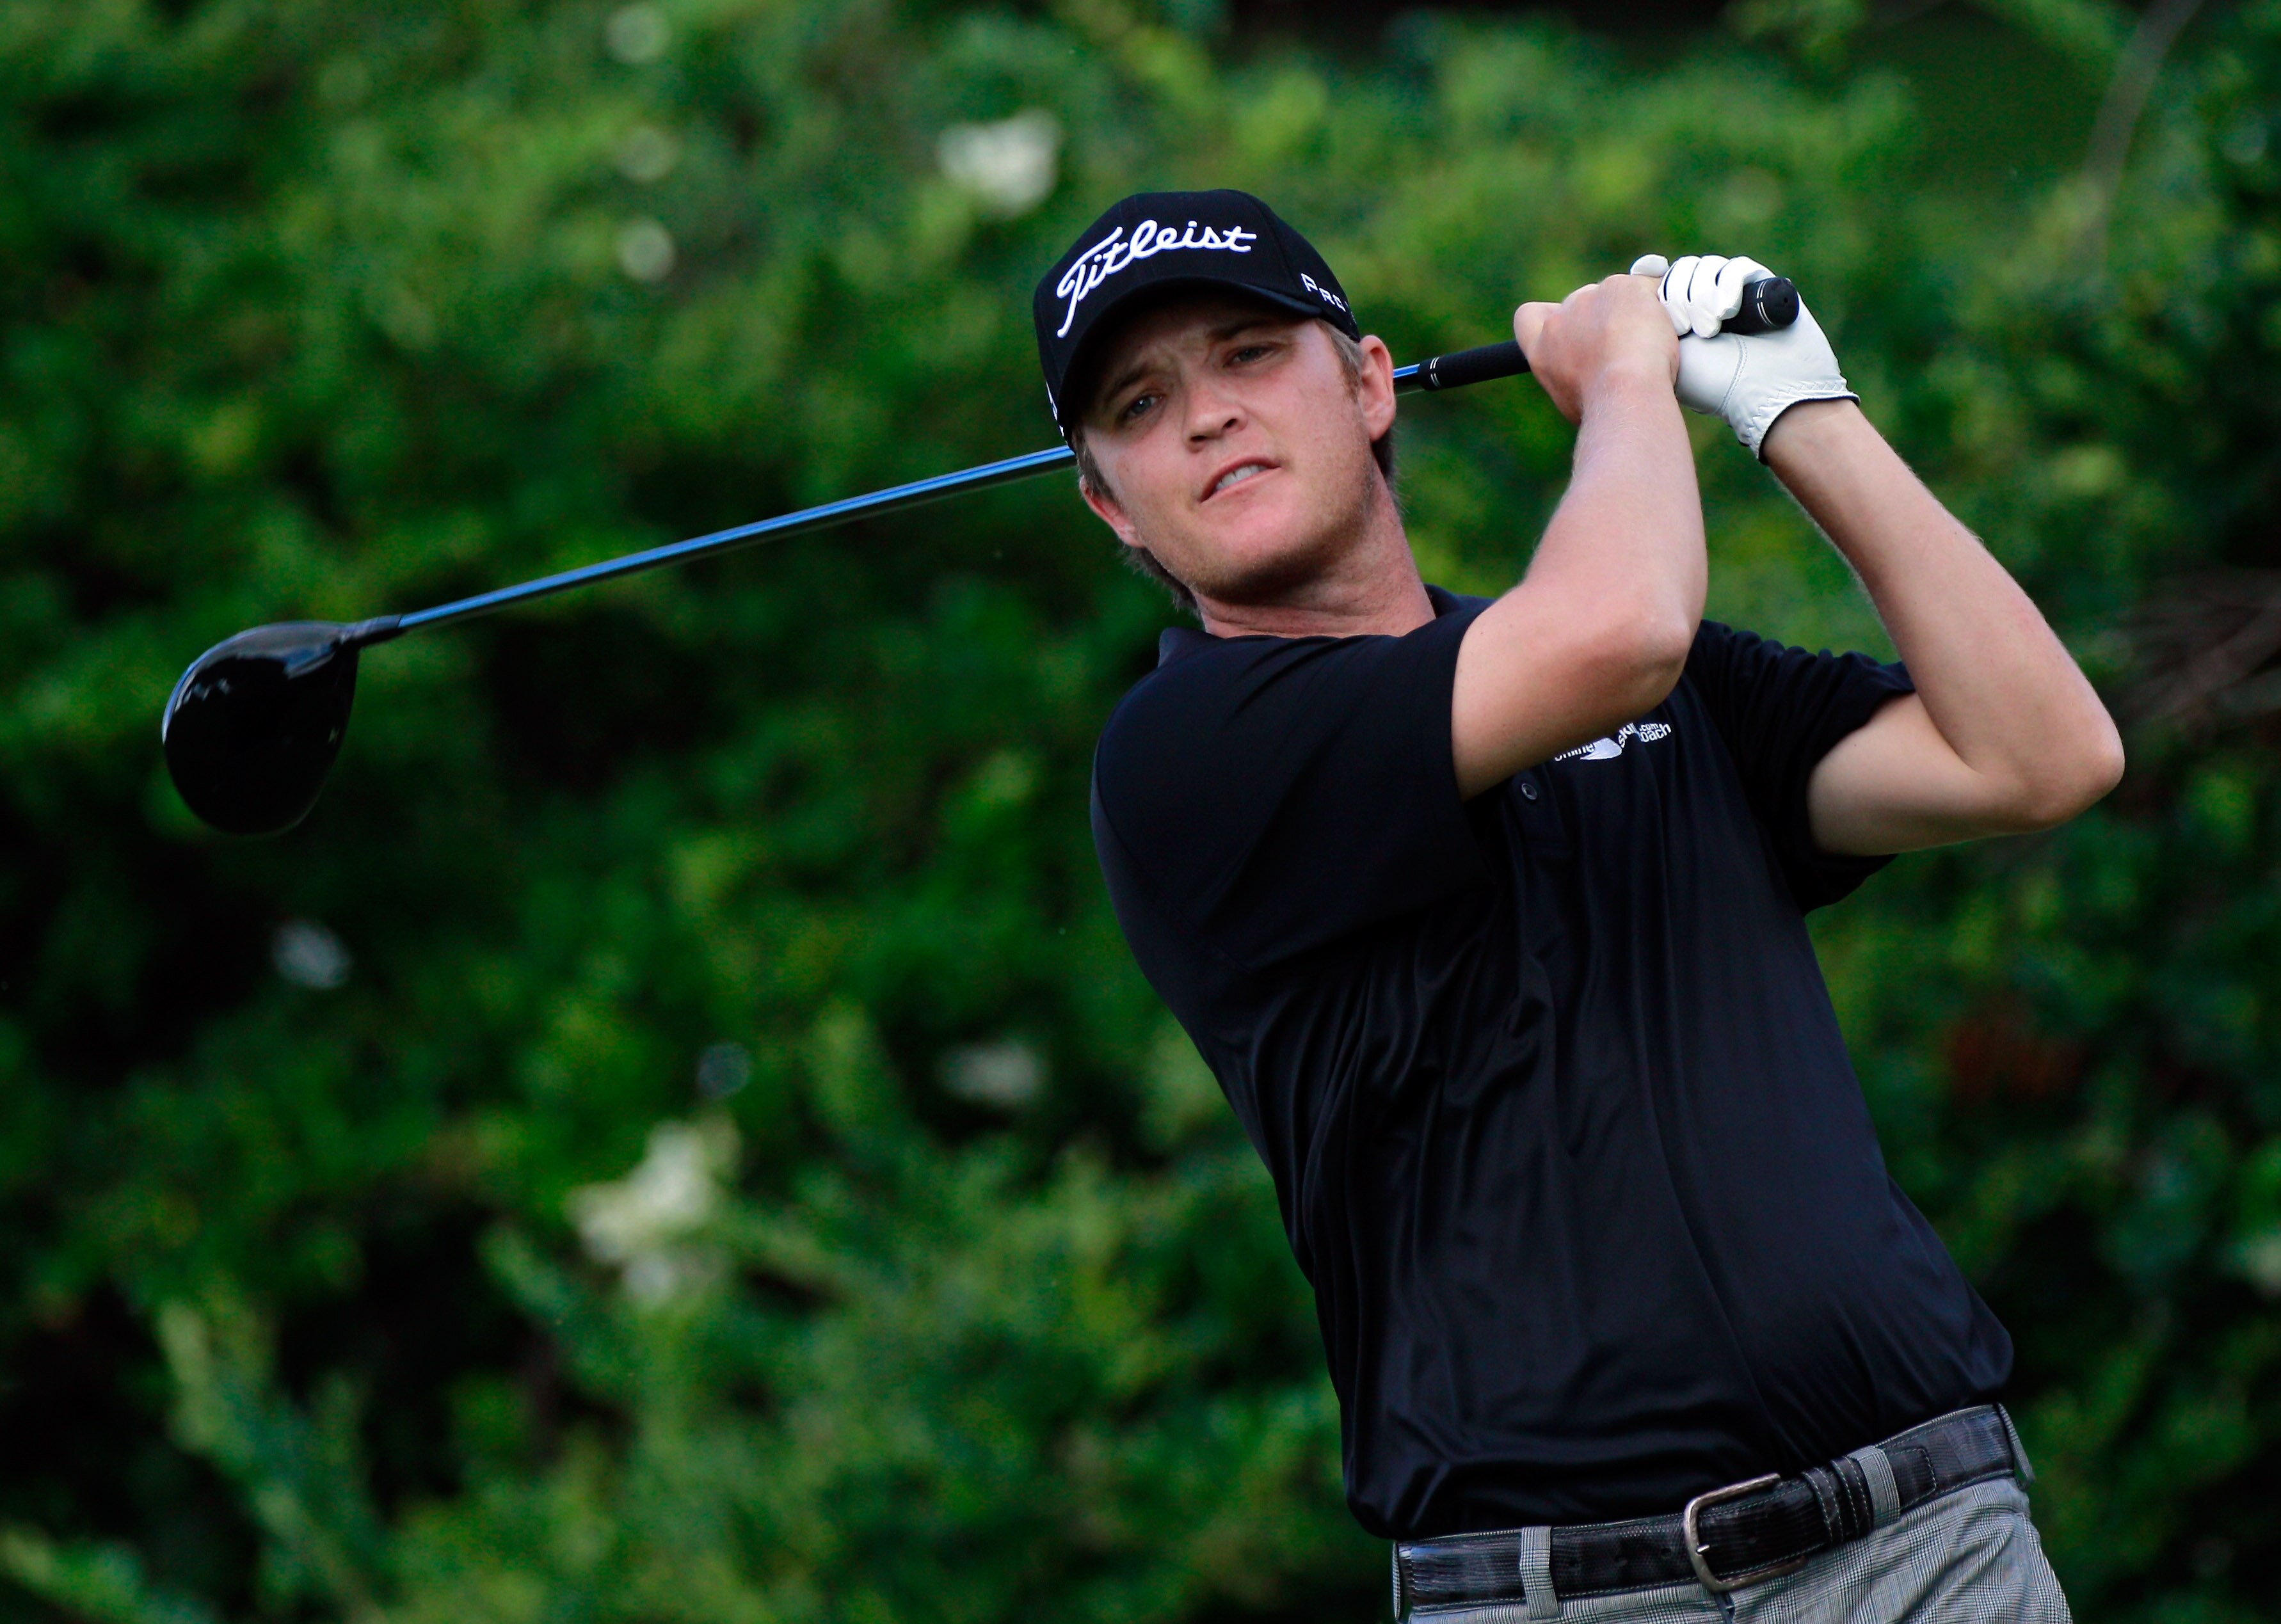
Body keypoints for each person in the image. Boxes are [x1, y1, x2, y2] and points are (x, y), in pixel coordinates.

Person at [1034, 190, 2122, 1621]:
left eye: (1247, 353)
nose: (1206, 416)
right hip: (1565, 1596)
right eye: (1139, 400)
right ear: (1112, 500)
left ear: (1368, 385)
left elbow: (2039, 753)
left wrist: (1800, 410)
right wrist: (1621, 371)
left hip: (1928, 1545)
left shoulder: (1647, 683)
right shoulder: (1185, 758)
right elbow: (1618, 632)